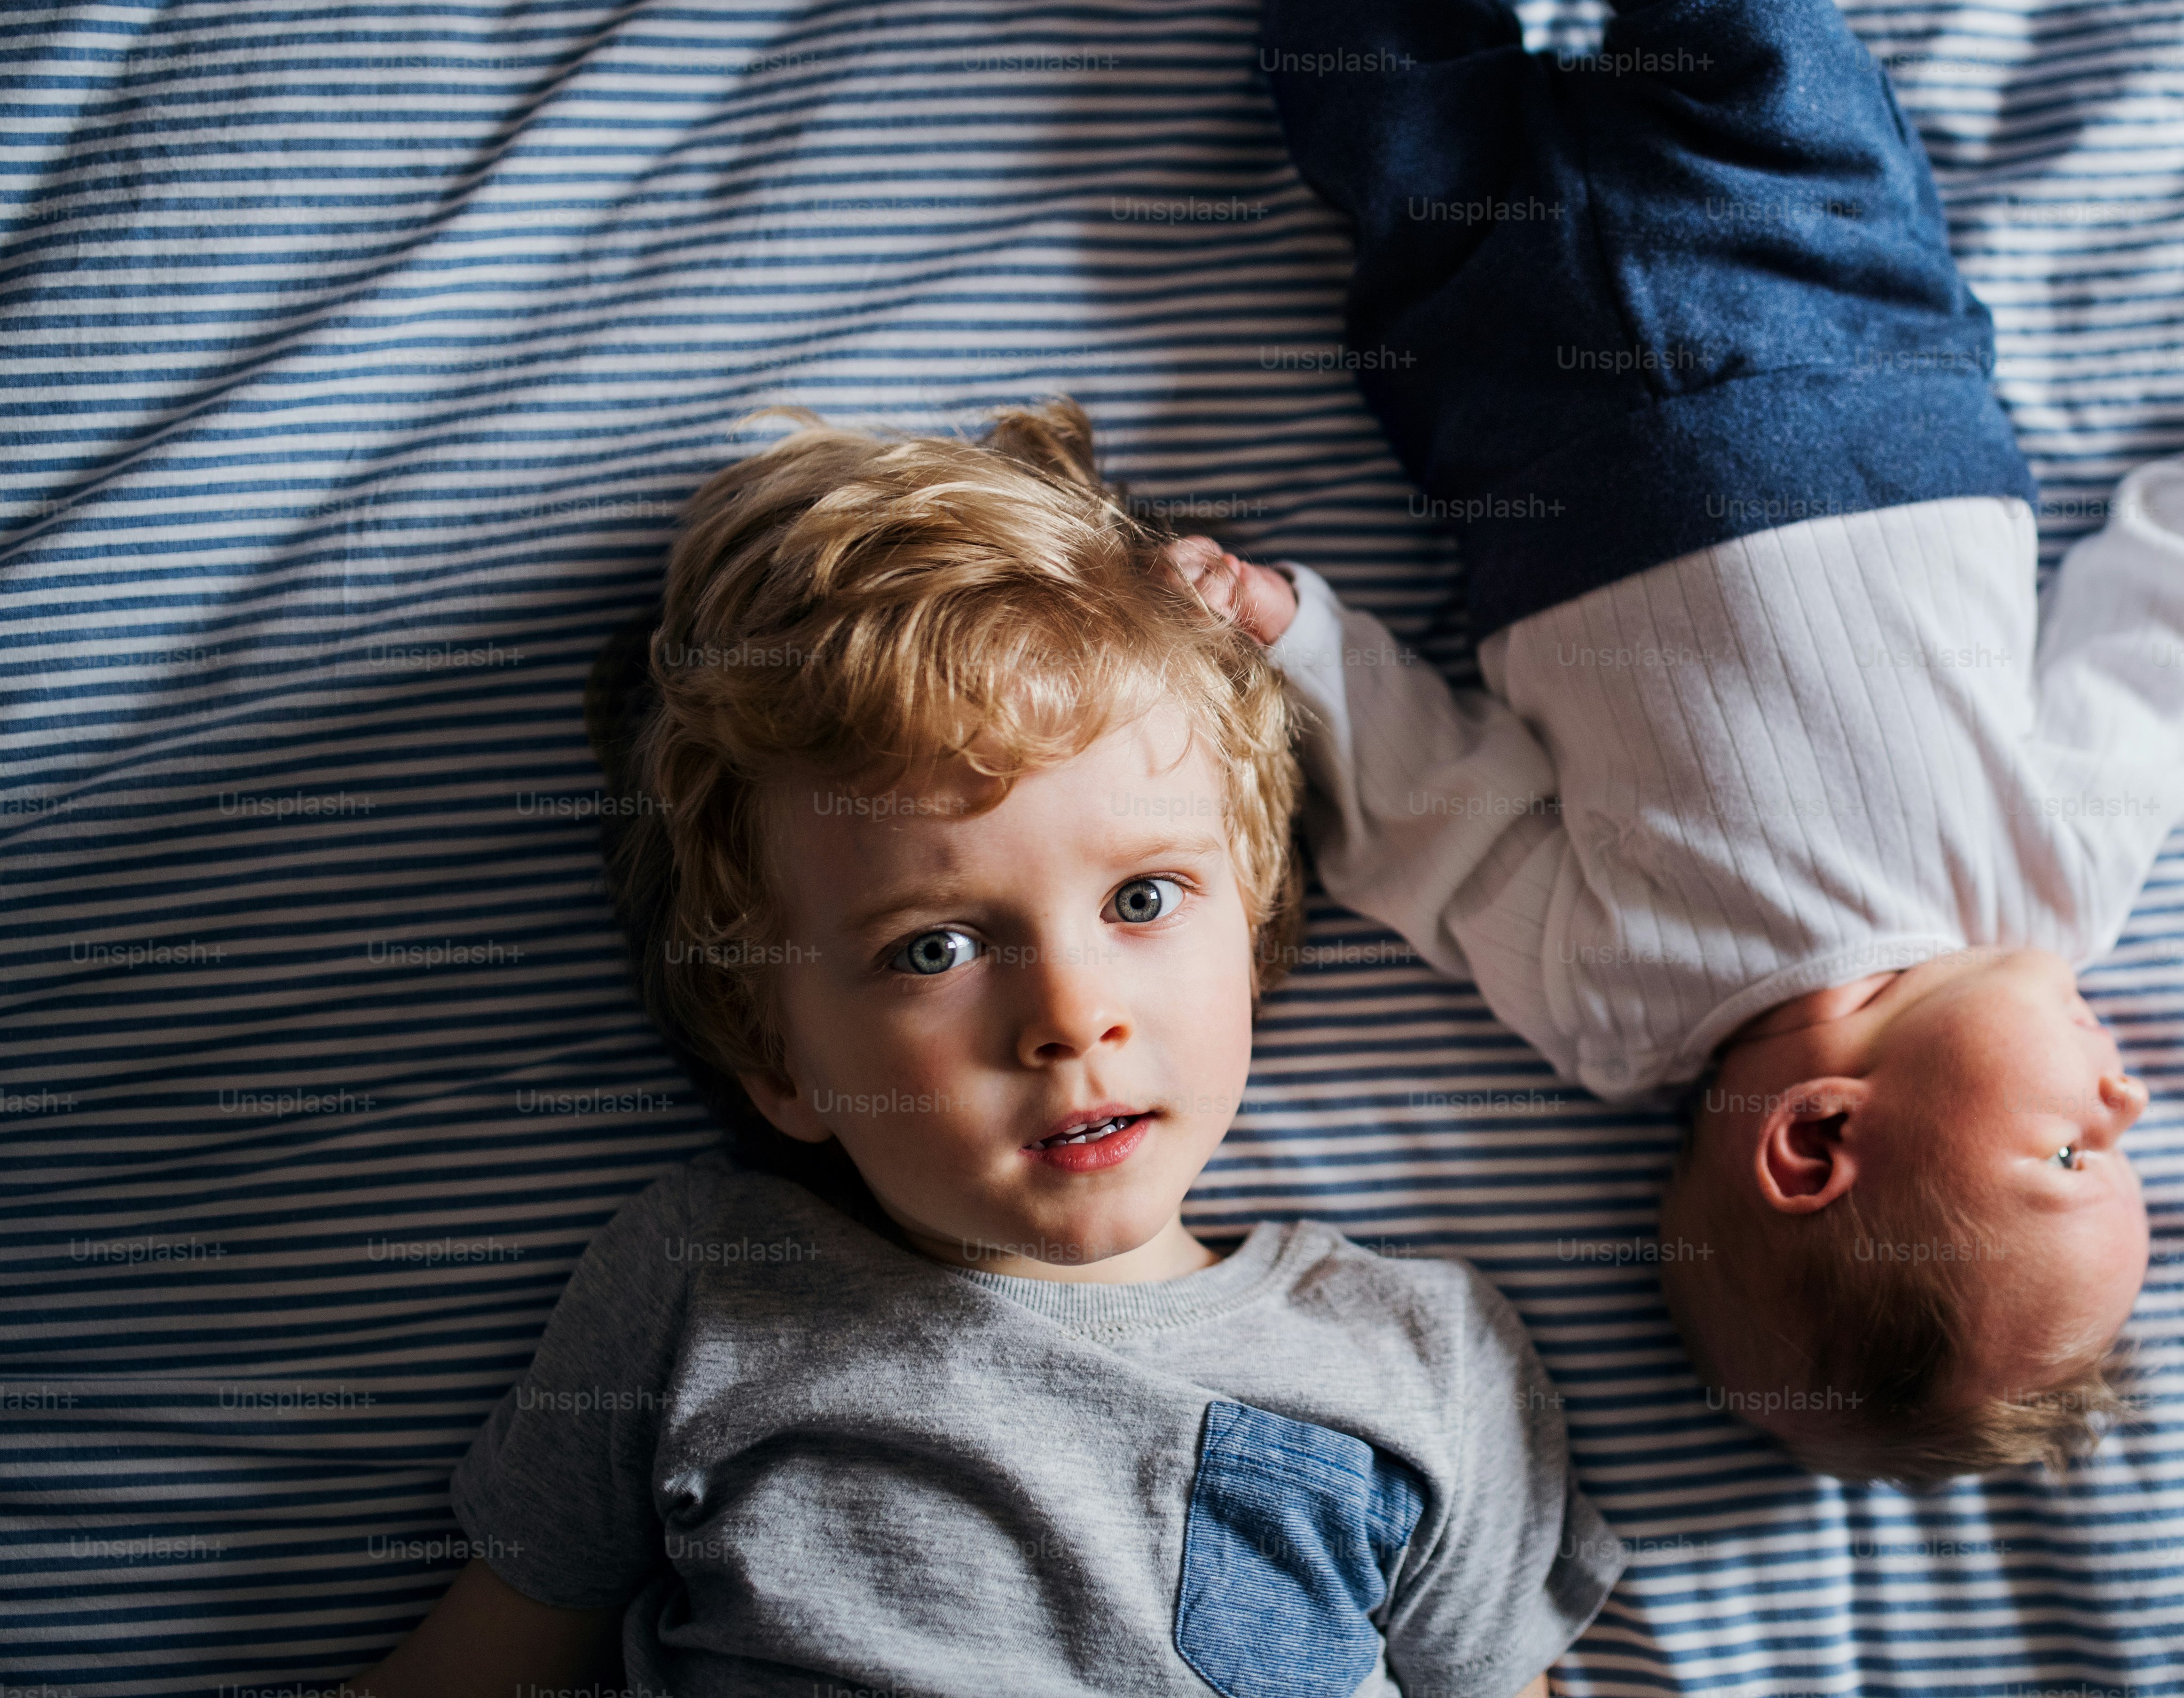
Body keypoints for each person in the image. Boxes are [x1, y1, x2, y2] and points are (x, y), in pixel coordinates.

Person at [1179, 0, 2184, 1479]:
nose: (2125, 1101)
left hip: (1509, 372)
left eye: (2079, 1156)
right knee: (1749, 16)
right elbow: (2163, 660)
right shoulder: (2046, 884)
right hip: (1834, 302)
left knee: (1382, 112)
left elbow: (1424, 814)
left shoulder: (1614, 1000)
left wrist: (1286, 636)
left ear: (1814, 1146)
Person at [344, 402, 1620, 1695]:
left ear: (1260, 923)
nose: (1070, 1015)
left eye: (1141, 899)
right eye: (935, 948)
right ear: (774, 1054)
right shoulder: (701, 1289)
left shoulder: (1424, 1362)